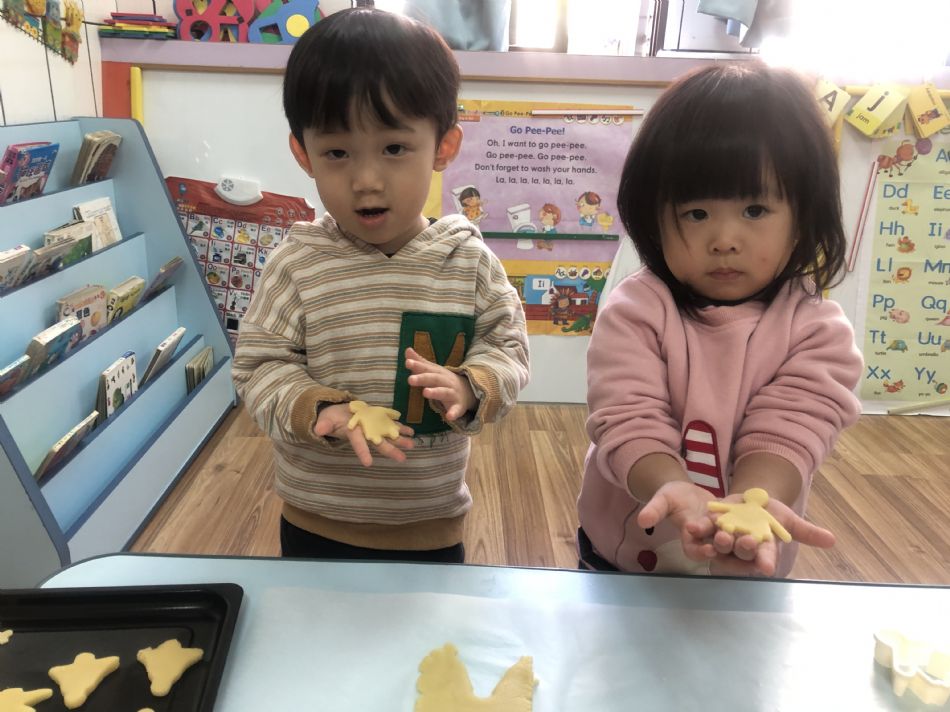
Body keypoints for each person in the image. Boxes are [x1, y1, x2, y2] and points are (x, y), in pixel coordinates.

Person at [232, 7, 529, 563]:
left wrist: (472, 386)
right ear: (303, 154)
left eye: (394, 148)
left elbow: (507, 347)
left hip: (431, 525)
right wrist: (316, 407)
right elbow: (258, 367)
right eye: (337, 153)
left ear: (443, 147)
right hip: (316, 521)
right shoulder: (297, 265)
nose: (366, 180)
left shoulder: (467, 261)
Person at [577, 61, 863, 578]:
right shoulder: (635, 311)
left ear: (803, 217)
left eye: (755, 210)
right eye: (696, 213)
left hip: (751, 559)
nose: (725, 240)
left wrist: (752, 506)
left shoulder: (816, 331)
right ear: (653, 218)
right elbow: (627, 417)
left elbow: (789, 431)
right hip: (624, 556)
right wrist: (669, 485)